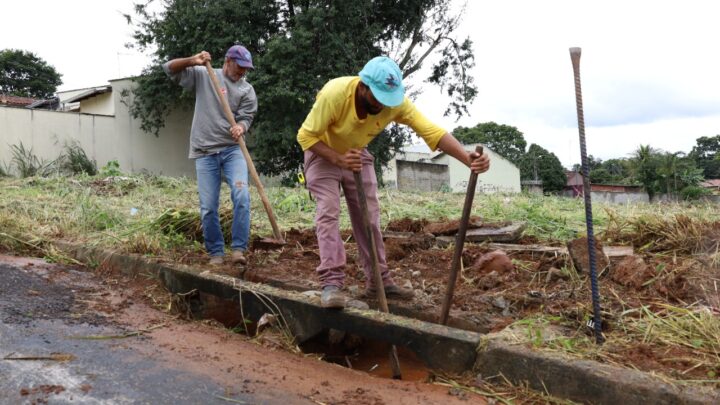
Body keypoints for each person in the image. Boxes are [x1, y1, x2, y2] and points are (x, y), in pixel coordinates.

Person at [297, 56, 490, 308]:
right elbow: (305, 136)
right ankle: (332, 283)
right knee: (328, 211)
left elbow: (431, 131)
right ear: (363, 86)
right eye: (377, 97)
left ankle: (379, 282)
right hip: (323, 152)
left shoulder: (394, 103)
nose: (383, 105)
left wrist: (467, 158)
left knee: (370, 219)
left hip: (357, 153)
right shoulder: (335, 94)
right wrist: (339, 159)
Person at [163, 45, 258, 266]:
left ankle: (238, 249)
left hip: (232, 150)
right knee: (208, 207)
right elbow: (168, 68)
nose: (242, 72)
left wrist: (241, 128)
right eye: (240, 67)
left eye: (246, 69)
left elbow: (247, 117)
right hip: (205, 151)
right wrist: (192, 60)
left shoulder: (246, 90)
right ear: (228, 61)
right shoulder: (205, 75)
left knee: (242, 196)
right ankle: (216, 251)